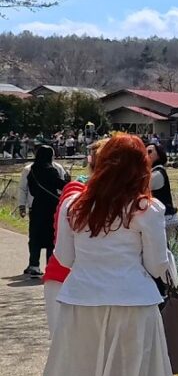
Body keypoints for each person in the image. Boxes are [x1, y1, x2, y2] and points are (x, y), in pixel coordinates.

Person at [31, 134, 178, 376]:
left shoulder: (75, 204)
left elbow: (65, 258)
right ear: (140, 168)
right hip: (133, 304)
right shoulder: (146, 208)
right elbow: (156, 265)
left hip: (82, 302)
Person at [43, 137, 107, 339]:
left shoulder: (124, 199)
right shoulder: (76, 191)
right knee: (66, 351)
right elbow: (63, 249)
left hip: (99, 285)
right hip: (65, 279)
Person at [18, 145, 70, 277]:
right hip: (52, 206)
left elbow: (28, 189)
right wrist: (69, 182)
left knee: (35, 235)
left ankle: (34, 265)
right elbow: (60, 185)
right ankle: (49, 266)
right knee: (52, 237)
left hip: (36, 206)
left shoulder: (32, 170)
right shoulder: (52, 170)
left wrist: (22, 205)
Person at [146, 142, 178, 238]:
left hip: (165, 218)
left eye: (150, 151)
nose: (146, 154)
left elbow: (139, 188)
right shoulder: (153, 172)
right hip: (160, 218)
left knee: (162, 249)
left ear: (159, 155)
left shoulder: (158, 173)